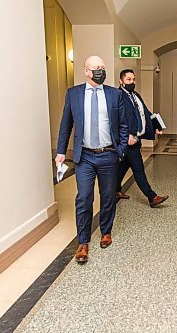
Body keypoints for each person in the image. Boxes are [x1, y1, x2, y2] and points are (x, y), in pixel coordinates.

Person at [55, 56, 128, 264]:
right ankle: (83, 241)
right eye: (96, 68)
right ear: (86, 71)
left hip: (108, 154)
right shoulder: (74, 94)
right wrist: (61, 151)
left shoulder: (115, 95)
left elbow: (123, 124)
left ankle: (106, 231)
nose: (100, 71)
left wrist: (120, 150)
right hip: (84, 156)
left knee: (107, 196)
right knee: (84, 198)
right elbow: (65, 125)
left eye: (103, 68)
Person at [115, 69, 169, 207]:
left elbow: (145, 113)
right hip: (128, 140)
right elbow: (116, 119)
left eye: (133, 79)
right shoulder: (118, 96)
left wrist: (155, 126)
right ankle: (152, 197)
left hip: (136, 140)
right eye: (128, 79)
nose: (132, 82)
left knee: (123, 166)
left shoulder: (135, 95)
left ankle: (115, 191)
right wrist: (126, 136)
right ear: (121, 81)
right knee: (138, 169)